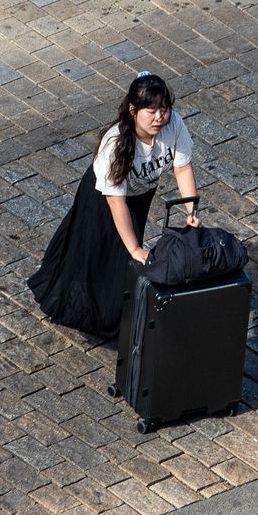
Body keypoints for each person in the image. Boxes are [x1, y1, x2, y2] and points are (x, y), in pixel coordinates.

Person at [28, 71, 199, 337]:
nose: (159, 118)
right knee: (95, 254)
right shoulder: (116, 143)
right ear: (133, 110)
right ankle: (82, 309)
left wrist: (191, 210)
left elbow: (183, 168)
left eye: (163, 109)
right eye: (150, 110)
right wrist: (135, 248)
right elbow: (116, 203)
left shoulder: (174, 124)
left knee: (121, 263)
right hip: (102, 199)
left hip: (139, 197)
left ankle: (114, 315)